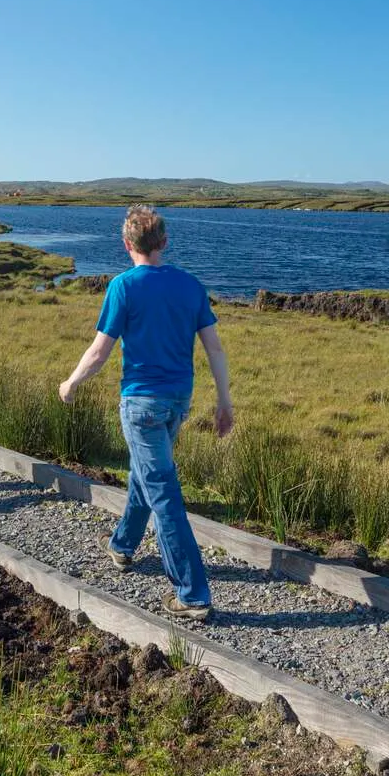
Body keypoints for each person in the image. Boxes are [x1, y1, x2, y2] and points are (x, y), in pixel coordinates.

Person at [59, 205, 234, 622]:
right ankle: (122, 546)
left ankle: (191, 593)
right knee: (146, 474)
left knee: (164, 495)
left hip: (141, 405)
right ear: (164, 242)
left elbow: (100, 350)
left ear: (126, 245)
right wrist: (224, 401)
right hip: (178, 402)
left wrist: (70, 383)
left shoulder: (123, 286)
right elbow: (214, 348)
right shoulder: (191, 286)